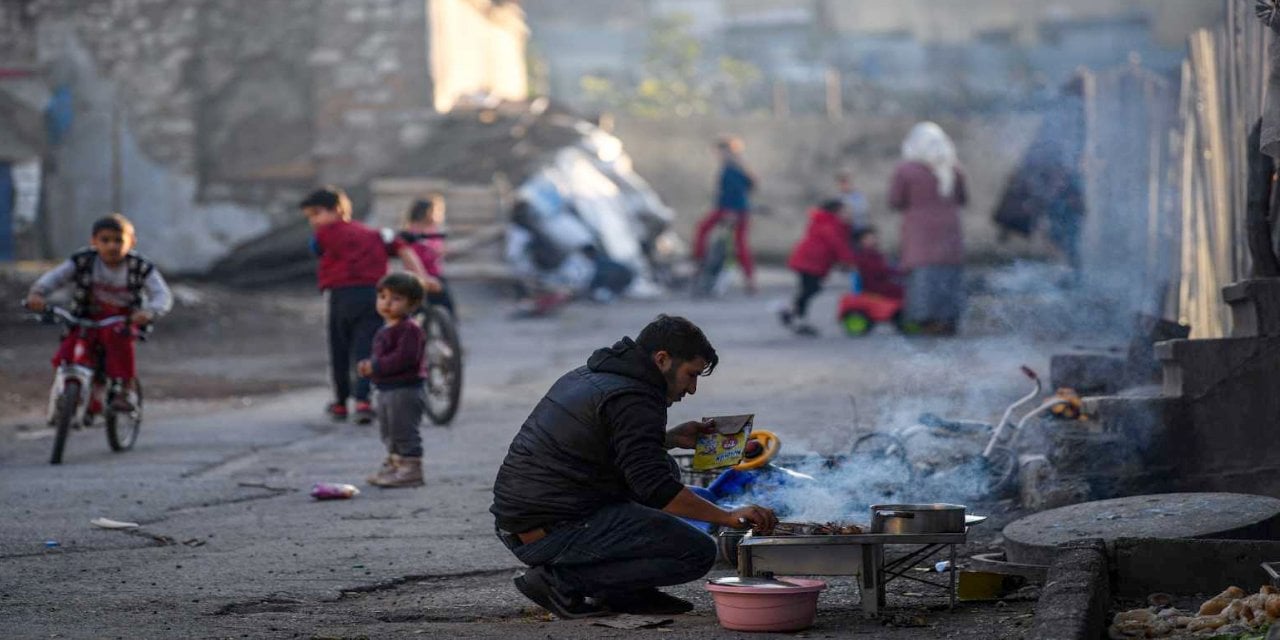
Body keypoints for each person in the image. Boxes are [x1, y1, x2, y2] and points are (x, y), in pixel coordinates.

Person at [491, 315, 778, 619]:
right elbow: (656, 490)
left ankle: (624, 591)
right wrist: (727, 517)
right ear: (662, 359)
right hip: (549, 530)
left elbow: (605, 448)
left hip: (526, 520)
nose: (692, 389)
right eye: (690, 375)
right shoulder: (634, 398)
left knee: (665, 465)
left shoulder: (594, 374)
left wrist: (669, 439)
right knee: (697, 552)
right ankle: (559, 582)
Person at [301, 186, 436, 424]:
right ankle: (363, 401)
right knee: (367, 348)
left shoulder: (325, 233)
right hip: (372, 297)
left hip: (341, 297)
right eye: (310, 216)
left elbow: (316, 249)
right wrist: (422, 276)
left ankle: (341, 403)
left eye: (316, 213)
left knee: (340, 350)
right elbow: (401, 247)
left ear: (338, 210)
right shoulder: (374, 233)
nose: (313, 221)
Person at [26, 213, 172, 412]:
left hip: (123, 318)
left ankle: (125, 390)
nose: (112, 246)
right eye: (105, 240)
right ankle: (70, 389)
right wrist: (37, 294)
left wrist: (150, 312)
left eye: (118, 241)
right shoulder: (83, 261)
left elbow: (161, 295)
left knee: (119, 341)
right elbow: (55, 278)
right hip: (86, 314)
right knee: (71, 347)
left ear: (132, 242)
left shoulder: (140, 267)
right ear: (94, 241)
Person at [889, 122, 967, 336]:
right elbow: (962, 199)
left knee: (923, 276)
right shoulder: (954, 168)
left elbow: (895, 200)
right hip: (950, 232)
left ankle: (926, 320)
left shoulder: (906, 170)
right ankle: (949, 320)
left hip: (919, 234)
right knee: (948, 275)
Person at [356, 273, 428, 488]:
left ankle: (411, 469)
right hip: (387, 388)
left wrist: (376, 366)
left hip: (405, 390)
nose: (386, 303)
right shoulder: (385, 328)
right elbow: (383, 357)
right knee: (389, 430)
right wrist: (369, 367)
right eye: (382, 296)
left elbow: (404, 358)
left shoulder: (410, 329)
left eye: (396, 299)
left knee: (404, 430)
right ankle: (395, 465)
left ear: (412, 304)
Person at [780, 200, 860, 336]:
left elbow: (839, 245)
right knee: (810, 289)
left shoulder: (832, 224)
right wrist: (850, 262)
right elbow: (838, 246)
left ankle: (793, 313)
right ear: (835, 212)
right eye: (844, 212)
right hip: (809, 262)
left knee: (809, 289)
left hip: (812, 262)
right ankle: (795, 316)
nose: (847, 214)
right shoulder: (829, 225)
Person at [692, 136, 757, 294]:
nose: (718, 155)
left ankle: (699, 264)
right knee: (737, 243)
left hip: (732, 210)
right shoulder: (737, 167)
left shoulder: (732, 169)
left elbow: (737, 192)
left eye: (720, 152)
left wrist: (732, 212)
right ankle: (749, 280)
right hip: (731, 209)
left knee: (735, 243)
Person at [400, 194, 455, 315]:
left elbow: (439, 249)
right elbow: (412, 255)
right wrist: (433, 253)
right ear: (426, 213)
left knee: (447, 308)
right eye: (436, 211)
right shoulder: (412, 232)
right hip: (417, 276)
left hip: (435, 273)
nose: (439, 215)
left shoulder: (433, 230)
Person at [851, 227, 904, 302]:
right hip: (874, 287)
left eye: (874, 237)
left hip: (881, 283)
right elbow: (879, 270)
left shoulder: (874, 253)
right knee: (902, 291)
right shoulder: (864, 255)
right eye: (870, 238)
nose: (874, 240)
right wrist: (896, 272)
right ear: (862, 240)